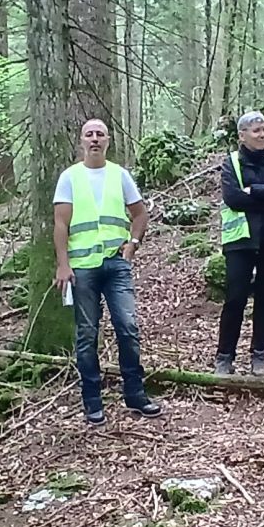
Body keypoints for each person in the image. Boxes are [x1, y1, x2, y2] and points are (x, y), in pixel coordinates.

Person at [53, 118, 161, 425]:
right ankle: (92, 400)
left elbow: (140, 213)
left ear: (108, 140)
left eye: (100, 134)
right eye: (89, 135)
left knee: (127, 327)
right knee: (87, 334)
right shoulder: (69, 177)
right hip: (82, 267)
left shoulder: (119, 175)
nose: (95, 139)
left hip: (116, 264)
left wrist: (133, 245)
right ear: (81, 141)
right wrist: (63, 264)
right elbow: (60, 223)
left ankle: (135, 394)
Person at [217, 110, 264, 375]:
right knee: (235, 298)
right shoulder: (231, 163)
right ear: (242, 135)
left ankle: (260, 355)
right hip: (240, 241)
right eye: (256, 131)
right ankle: (224, 356)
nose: (263, 135)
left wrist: (256, 191)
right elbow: (233, 199)